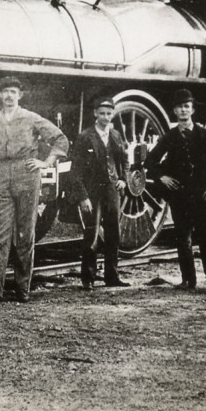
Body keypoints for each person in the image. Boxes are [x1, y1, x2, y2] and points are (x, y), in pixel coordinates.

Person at [0, 77, 69, 303]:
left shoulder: (31, 118)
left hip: (28, 174)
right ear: (0, 96)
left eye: (13, 92)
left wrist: (46, 162)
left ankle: (23, 288)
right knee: (0, 233)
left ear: (20, 95)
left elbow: (60, 139)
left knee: (25, 233)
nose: (9, 96)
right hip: (2, 175)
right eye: (5, 92)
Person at [142, 88, 206, 297]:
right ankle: (188, 279)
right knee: (183, 238)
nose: (183, 110)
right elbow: (150, 161)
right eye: (180, 107)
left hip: (201, 195)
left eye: (187, 107)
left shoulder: (205, 135)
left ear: (192, 109)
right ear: (174, 111)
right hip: (179, 196)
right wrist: (162, 176)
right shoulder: (169, 137)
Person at [68, 97, 130, 290]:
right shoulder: (85, 136)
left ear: (113, 114)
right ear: (95, 113)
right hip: (92, 192)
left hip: (112, 191)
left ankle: (112, 276)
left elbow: (125, 160)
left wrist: (123, 179)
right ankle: (88, 278)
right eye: (102, 113)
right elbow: (75, 171)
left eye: (109, 113)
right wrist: (83, 196)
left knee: (114, 234)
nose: (105, 117)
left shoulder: (116, 135)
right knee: (92, 234)